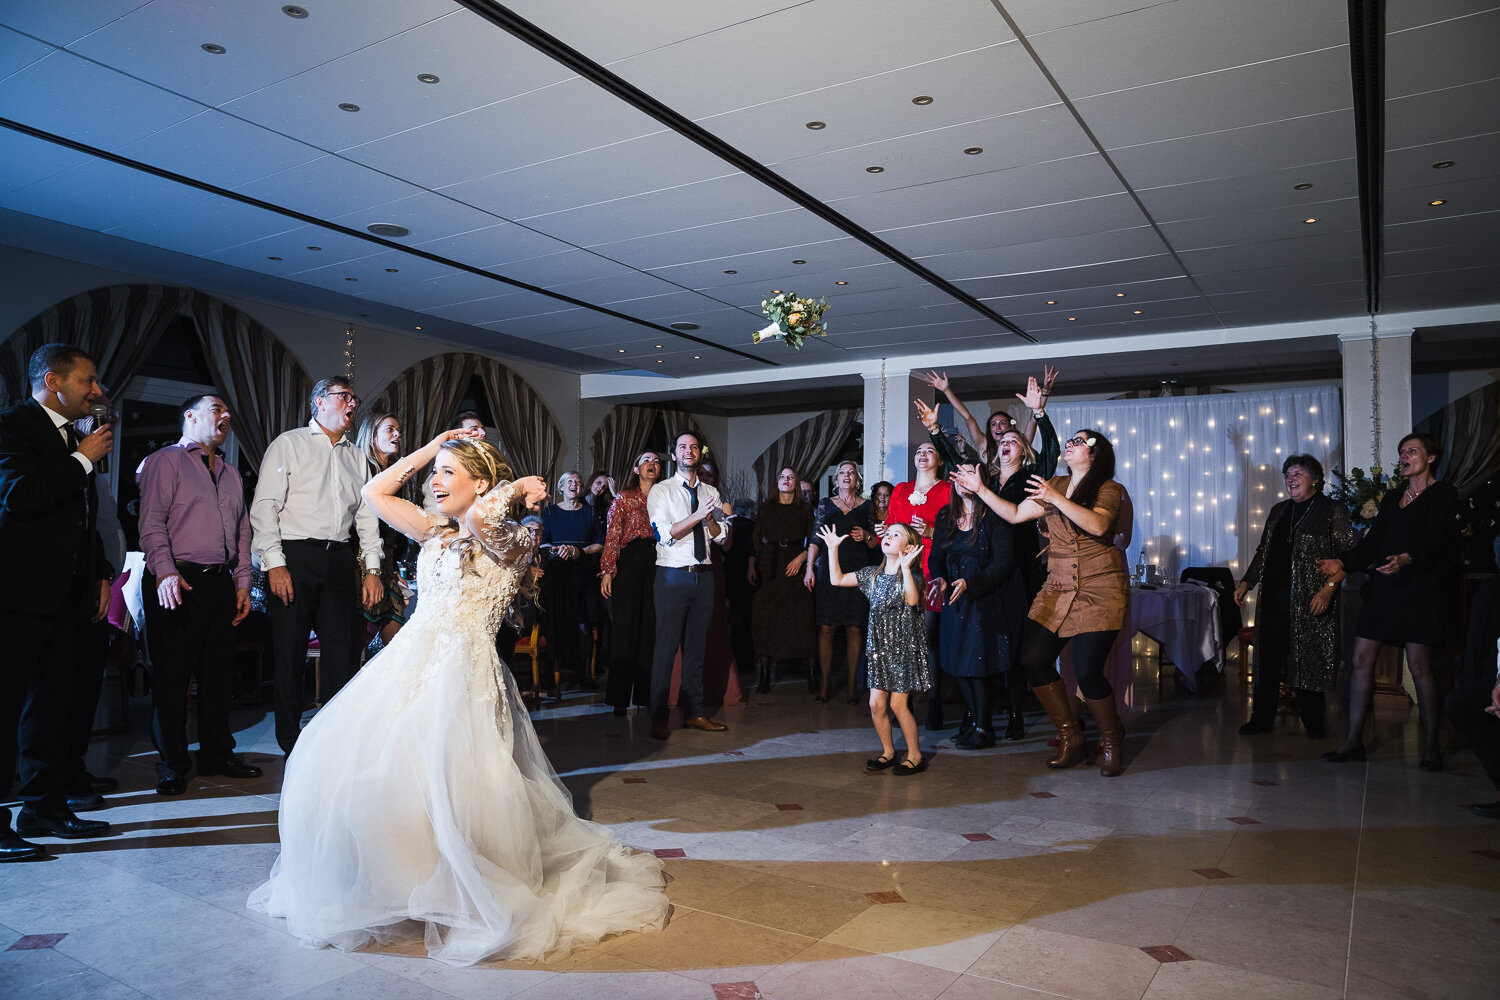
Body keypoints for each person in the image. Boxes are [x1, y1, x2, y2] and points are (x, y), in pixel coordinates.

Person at [248, 429, 668, 964]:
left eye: (450, 473)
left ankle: (463, 885)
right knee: (379, 771)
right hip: (410, 665)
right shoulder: (433, 529)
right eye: (436, 473)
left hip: (463, 675)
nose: (436, 481)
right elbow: (374, 493)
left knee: (457, 781)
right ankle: (408, 882)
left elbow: (484, 520)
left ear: (484, 483)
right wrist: (434, 447)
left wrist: (513, 489)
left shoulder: (514, 537)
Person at [957, 428, 1130, 776]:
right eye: (1071, 440)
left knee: (1087, 671)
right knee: (1033, 660)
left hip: (1100, 588)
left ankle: (1112, 742)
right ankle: (1071, 736)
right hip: (1058, 586)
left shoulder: (1109, 489)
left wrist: (1055, 498)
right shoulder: (1054, 484)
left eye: (1079, 442)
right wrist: (981, 490)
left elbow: (1099, 525)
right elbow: (1015, 514)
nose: (1070, 444)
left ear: (1095, 455)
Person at [0, 344, 115, 855]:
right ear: (53, 381)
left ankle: (44, 808)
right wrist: (81, 460)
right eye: (87, 381)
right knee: (5, 711)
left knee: (51, 708)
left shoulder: (75, 436)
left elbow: (82, 520)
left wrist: (99, 575)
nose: (96, 391)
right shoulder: (13, 427)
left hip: (69, 594)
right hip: (16, 596)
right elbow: (19, 498)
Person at [136, 394, 262, 796]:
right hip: (177, 580)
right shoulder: (165, 461)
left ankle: (216, 754)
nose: (226, 415)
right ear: (190, 416)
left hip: (219, 582)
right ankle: (172, 763)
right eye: (216, 409)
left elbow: (243, 532)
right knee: (173, 679)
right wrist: (165, 572)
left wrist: (243, 582)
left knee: (218, 676)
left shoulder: (230, 473)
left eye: (229, 410)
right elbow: (152, 522)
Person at [921, 375, 1060, 738]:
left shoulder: (1031, 477)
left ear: (1023, 450)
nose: (1006, 442)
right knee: (975, 644)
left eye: (1014, 439)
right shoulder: (987, 477)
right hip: (980, 564)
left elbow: (1051, 455)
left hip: (1016, 566)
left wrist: (1040, 414)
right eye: (1003, 440)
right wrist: (936, 432)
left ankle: (1013, 710)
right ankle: (977, 714)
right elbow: (956, 463)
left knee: (1009, 643)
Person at [250, 377, 384, 755]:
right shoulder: (288, 444)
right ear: (320, 402)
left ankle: (334, 741)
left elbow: (366, 519)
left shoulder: (356, 456)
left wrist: (372, 569)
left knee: (342, 654)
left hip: (340, 559)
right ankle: (290, 743)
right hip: (294, 557)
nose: (353, 405)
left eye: (355, 398)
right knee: (290, 654)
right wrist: (274, 564)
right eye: (345, 397)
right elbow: (264, 508)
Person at [1317, 433, 1459, 769]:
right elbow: (1372, 544)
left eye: (1412, 451)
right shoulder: (1393, 497)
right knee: (1361, 659)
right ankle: (1353, 742)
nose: (1404, 457)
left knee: (1419, 666)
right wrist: (1343, 562)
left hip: (1420, 587)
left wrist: (1408, 558)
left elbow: (1438, 541)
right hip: (1385, 588)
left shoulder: (1443, 494)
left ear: (1431, 457)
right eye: (1401, 452)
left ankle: (1430, 745)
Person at [1234, 455, 1353, 739]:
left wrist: (1329, 589)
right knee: (1268, 660)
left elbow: (1347, 557)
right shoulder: (1278, 510)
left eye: (1297, 473)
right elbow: (1263, 551)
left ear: (1315, 479)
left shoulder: (1331, 510)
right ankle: (1261, 719)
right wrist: (1247, 581)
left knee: (1308, 658)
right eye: (1288, 474)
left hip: (1312, 599)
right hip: (1273, 598)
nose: (1290, 478)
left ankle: (1313, 721)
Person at [818, 522, 929, 775]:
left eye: (896, 534)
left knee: (898, 705)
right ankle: (888, 752)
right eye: (887, 533)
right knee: (877, 704)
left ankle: (915, 755)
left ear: (909, 546)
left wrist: (906, 567)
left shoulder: (915, 576)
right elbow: (837, 579)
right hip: (879, 648)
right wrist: (833, 549)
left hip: (903, 649)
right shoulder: (872, 574)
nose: (888, 536)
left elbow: (912, 600)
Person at [928, 469, 1026, 749]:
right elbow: (936, 557)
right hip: (953, 598)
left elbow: (1002, 564)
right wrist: (941, 580)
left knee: (976, 665)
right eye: (958, 478)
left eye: (969, 476)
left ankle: (984, 728)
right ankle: (974, 723)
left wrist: (971, 584)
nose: (963, 483)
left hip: (984, 597)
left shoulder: (994, 516)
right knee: (955, 663)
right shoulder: (946, 516)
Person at [646, 431, 732, 740]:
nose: (689, 451)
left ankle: (694, 712)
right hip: (672, 575)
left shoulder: (711, 490)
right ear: (674, 455)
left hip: (704, 576)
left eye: (694, 447)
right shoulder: (662, 491)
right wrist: (698, 515)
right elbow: (664, 534)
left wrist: (711, 522)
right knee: (666, 649)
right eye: (683, 446)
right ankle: (657, 716)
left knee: (697, 650)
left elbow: (723, 538)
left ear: (699, 454)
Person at [887, 441, 953, 729]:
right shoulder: (901, 489)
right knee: (901, 640)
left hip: (931, 572)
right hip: (901, 572)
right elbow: (890, 525)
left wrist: (931, 531)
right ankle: (904, 704)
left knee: (927, 640)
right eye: (919, 452)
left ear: (939, 461)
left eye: (930, 451)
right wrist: (885, 535)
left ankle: (934, 704)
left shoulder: (948, 491)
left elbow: (959, 530)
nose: (923, 455)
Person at [805, 461, 877, 703]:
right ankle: (824, 683)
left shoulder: (867, 506)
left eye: (852, 473)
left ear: (858, 479)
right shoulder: (825, 505)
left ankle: (851, 686)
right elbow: (815, 539)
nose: (847, 476)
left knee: (855, 627)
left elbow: (874, 543)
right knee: (826, 627)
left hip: (857, 570)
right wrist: (809, 569)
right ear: (835, 481)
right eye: (842, 473)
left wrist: (866, 536)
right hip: (829, 571)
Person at [601, 452, 662, 715]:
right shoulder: (624, 497)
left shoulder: (666, 496)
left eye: (657, 461)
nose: (652, 464)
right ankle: (619, 699)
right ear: (637, 468)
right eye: (647, 460)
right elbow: (613, 535)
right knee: (625, 629)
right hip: (630, 561)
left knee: (650, 628)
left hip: (659, 561)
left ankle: (646, 696)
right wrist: (607, 570)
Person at [750, 467, 816, 693]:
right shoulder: (766, 507)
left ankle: (810, 673)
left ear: (796, 483)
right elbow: (756, 539)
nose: (786, 480)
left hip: (795, 564)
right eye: (782, 477)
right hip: (770, 565)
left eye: (790, 477)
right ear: (776, 481)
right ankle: (765, 674)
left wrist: (802, 558)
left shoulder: (805, 509)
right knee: (766, 618)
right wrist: (756, 565)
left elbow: (815, 541)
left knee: (801, 617)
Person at [354, 411, 416, 649]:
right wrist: (373, 570)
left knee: (397, 638)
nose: (397, 434)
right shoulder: (363, 470)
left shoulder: (394, 478)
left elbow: (394, 530)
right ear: (372, 436)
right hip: (362, 561)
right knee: (358, 635)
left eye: (398, 430)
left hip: (388, 563)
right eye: (390, 429)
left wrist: (395, 568)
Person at [539, 471, 603, 693]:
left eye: (577, 481)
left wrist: (579, 551)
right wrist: (557, 551)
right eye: (569, 482)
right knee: (556, 624)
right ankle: (552, 674)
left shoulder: (590, 512)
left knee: (585, 625)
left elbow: (600, 543)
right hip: (557, 575)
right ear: (561, 487)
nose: (574, 485)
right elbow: (541, 542)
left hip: (583, 573)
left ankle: (585, 674)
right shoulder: (549, 513)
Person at [917, 366, 1056, 465]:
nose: (998, 427)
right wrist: (946, 390)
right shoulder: (983, 443)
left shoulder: (1020, 443)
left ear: (1010, 427)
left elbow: (1034, 419)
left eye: (1002, 423)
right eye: (993, 424)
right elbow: (967, 417)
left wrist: (1045, 392)